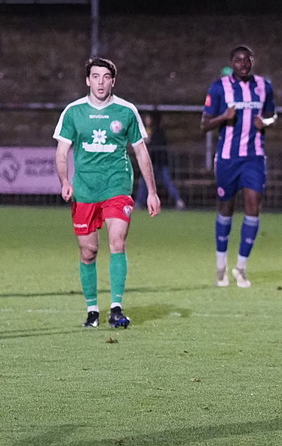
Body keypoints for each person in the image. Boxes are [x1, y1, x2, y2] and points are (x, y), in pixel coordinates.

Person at [54, 57, 161, 328]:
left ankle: (115, 308)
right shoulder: (73, 112)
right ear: (87, 80)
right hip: (85, 190)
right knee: (88, 251)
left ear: (113, 81)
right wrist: (65, 181)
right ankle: (92, 310)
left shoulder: (126, 111)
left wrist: (152, 191)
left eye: (106, 77)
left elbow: (141, 151)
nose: (100, 82)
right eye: (95, 76)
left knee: (117, 242)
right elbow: (61, 152)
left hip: (117, 186)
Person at [200, 45, 277, 288]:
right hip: (227, 158)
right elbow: (204, 124)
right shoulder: (219, 87)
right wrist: (224, 117)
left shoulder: (264, 86)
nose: (243, 64)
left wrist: (264, 121)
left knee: (253, 208)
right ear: (231, 63)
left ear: (252, 61)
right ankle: (221, 265)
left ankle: (241, 268)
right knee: (226, 208)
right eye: (238, 60)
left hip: (253, 157)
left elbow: (273, 115)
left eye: (246, 60)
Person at [135, 111, 186, 210]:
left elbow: (155, 146)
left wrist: (149, 142)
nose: (146, 120)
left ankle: (178, 200)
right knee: (144, 182)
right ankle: (139, 202)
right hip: (152, 162)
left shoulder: (158, 132)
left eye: (148, 118)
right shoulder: (149, 131)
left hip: (159, 163)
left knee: (166, 182)